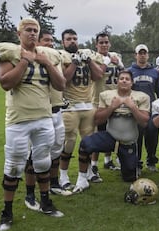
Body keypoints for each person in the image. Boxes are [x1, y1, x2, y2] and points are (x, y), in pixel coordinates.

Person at [0, 18, 66, 231]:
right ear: (19, 33)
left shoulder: (48, 55)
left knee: (43, 162)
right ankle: (7, 211)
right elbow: (5, 83)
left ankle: (45, 202)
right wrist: (24, 61)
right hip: (18, 119)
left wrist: (47, 63)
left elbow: (61, 85)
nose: (32, 34)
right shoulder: (10, 53)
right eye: (28, 30)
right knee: (14, 166)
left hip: (44, 117)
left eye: (35, 30)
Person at [24, 30, 72, 213]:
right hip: (38, 113)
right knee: (35, 154)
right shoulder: (32, 57)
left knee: (56, 150)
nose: (50, 43)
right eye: (46, 40)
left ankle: (53, 183)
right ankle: (30, 193)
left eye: (52, 40)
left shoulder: (54, 57)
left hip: (57, 110)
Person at [78, 70, 150, 183]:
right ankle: (82, 179)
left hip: (128, 142)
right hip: (110, 137)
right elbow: (98, 120)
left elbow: (144, 122)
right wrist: (112, 107)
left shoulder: (142, 97)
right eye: (122, 78)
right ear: (117, 81)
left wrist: (133, 107)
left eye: (127, 79)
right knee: (85, 144)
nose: (124, 81)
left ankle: (128, 167)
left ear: (132, 83)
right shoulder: (107, 95)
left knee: (129, 178)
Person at [58, 29, 104, 193]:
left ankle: (87, 174)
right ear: (63, 42)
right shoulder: (61, 56)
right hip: (70, 107)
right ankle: (63, 176)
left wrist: (89, 61)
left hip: (88, 105)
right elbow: (62, 80)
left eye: (75, 38)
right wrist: (75, 63)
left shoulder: (86, 55)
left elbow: (99, 76)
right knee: (68, 143)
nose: (72, 41)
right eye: (69, 39)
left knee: (89, 143)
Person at [90, 32, 124, 172]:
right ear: (96, 44)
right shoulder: (93, 57)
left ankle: (108, 160)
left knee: (112, 132)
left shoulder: (115, 56)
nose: (104, 45)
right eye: (101, 42)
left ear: (109, 43)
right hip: (99, 101)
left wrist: (120, 64)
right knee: (98, 134)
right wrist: (106, 63)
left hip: (114, 100)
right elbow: (95, 76)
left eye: (106, 42)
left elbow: (124, 75)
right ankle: (93, 164)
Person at [128, 44, 159, 173]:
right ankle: (136, 163)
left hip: (151, 110)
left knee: (152, 137)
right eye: (140, 53)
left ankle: (151, 161)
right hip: (135, 110)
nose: (142, 55)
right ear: (135, 55)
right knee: (136, 138)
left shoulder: (154, 72)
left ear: (148, 55)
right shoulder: (130, 71)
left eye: (144, 53)